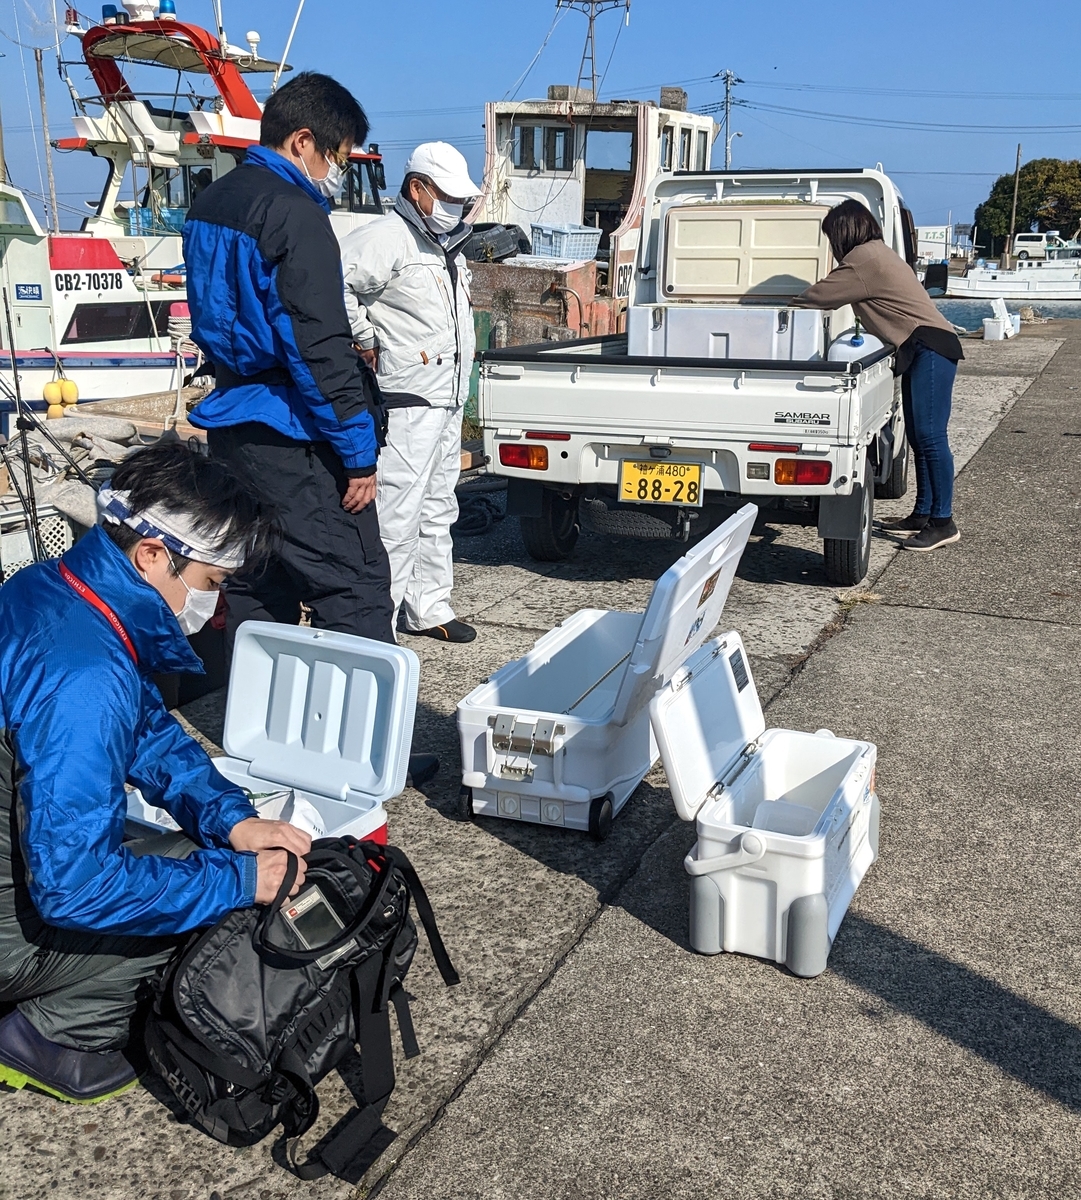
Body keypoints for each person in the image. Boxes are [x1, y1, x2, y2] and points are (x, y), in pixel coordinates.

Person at [0, 442, 312, 1104]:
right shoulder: (84, 678)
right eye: (212, 582)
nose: (214, 602)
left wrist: (233, 821)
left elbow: (144, 729)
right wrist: (238, 880)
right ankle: (52, 1039)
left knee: (188, 859)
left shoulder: (52, 589)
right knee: (205, 909)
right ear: (152, 556)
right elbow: (74, 890)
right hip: (18, 918)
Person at [183, 75, 440, 787]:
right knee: (354, 584)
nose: (332, 173)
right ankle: (367, 755)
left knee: (256, 585)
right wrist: (358, 455)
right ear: (303, 142)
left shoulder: (213, 201)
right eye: (334, 156)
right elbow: (316, 347)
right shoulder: (293, 212)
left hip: (232, 427)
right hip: (292, 433)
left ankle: (264, 739)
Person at [341, 142, 479, 643]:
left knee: (440, 506)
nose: (456, 209)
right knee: (397, 513)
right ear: (417, 189)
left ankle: (429, 606)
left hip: (446, 399)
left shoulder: (448, 248)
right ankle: (382, 620)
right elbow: (336, 284)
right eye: (447, 197)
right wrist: (366, 337)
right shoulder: (385, 238)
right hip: (406, 400)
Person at [793, 199, 964, 552]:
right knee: (919, 438)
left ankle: (944, 522)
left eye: (831, 238)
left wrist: (775, 303)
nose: (832, 247)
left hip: (929, 347)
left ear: (843, 233)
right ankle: (923, 514)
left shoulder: (864, 260)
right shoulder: (877, 252)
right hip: (927, 347)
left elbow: (820, 296)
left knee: (931, 438)